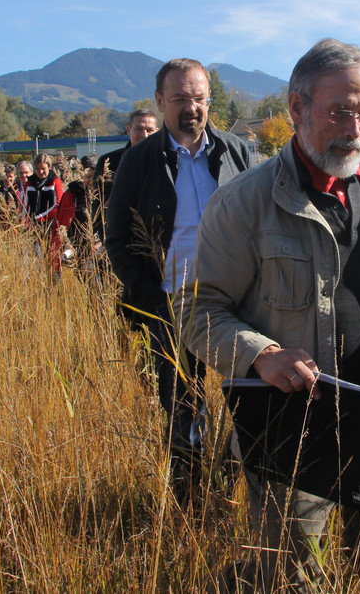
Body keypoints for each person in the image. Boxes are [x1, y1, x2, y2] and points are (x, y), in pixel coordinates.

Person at [183, 38, 360, 592]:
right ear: (297, 109)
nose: (355, 129)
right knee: (290, 579)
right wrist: (261, 355)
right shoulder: (243, 203)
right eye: (339, 112)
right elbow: (198, 311)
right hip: (296, 436)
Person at [104, 58, 253, 501]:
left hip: (236, 305)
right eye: (180, 99)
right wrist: (151, 301)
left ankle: (227, 486)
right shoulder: (138, 161)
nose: (192, 108)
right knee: (184, 410)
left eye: (199, 98)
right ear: (159, 101)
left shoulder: (236, 153)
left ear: (210, 99)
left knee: (251, 403)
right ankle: (190, 501)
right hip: (171, 307)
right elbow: (117, 239)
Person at [93, 109, 158, 240]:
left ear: (157, 132)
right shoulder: (109, 162)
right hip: (122, 236)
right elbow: (98, 204)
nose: (144, 135)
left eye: (149, 130)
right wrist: (105, 238)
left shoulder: (167, 161)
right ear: (128, 130)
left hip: (159, 236)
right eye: (139, 129)